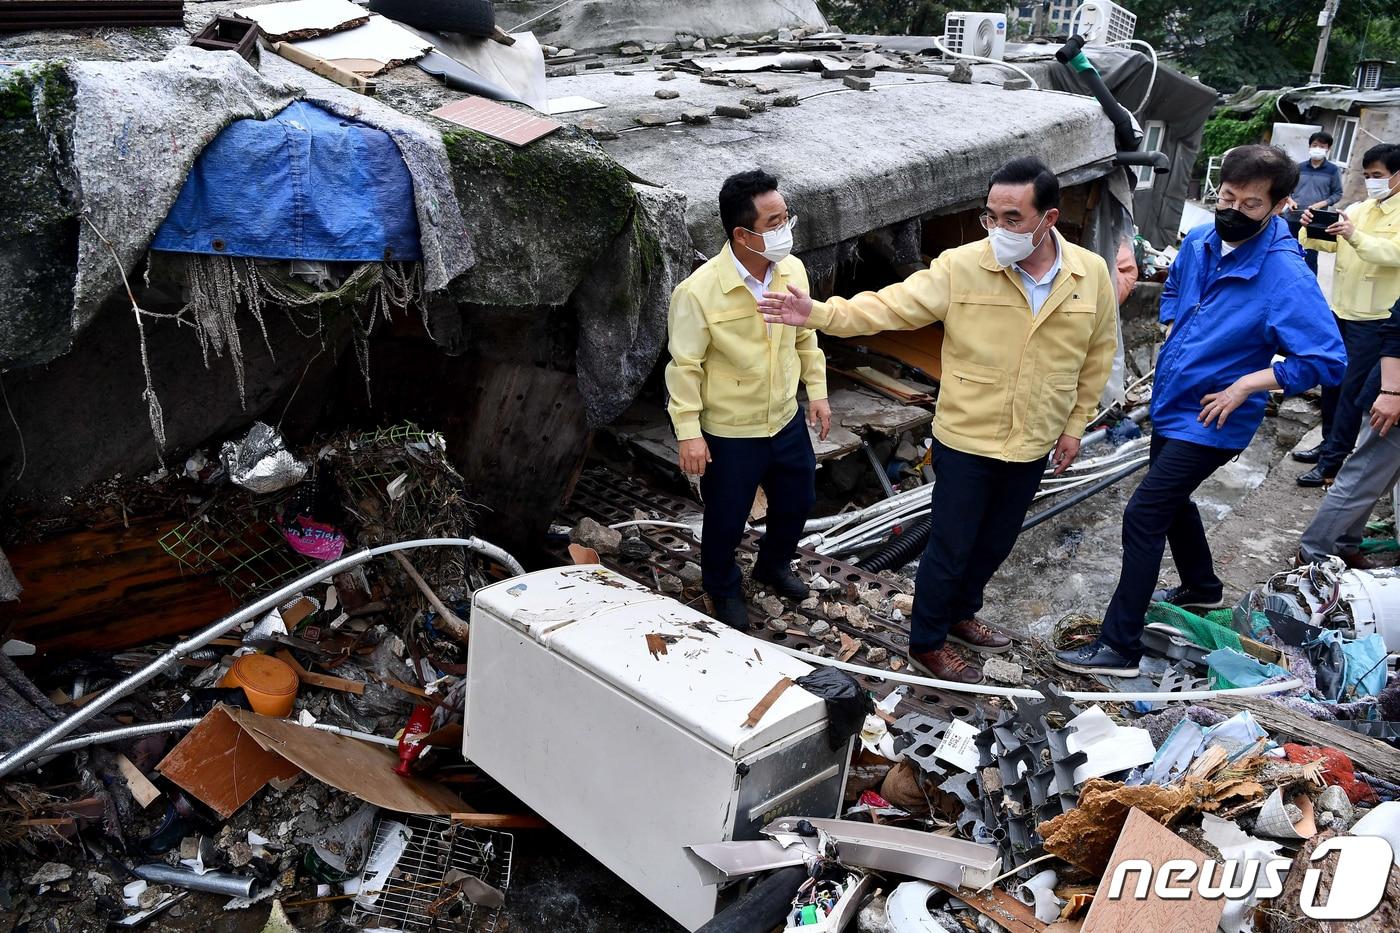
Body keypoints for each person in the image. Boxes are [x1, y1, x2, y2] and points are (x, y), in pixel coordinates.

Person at [759, 157, 1118, 684]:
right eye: (990, 216)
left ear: (1050, 219)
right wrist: (818, 313)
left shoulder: (1091, 276)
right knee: (950, 545)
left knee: (996, 542)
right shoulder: (962, 266)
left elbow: (1097, 356)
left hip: (1034, 437)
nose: (999, 229)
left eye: (1012, 218)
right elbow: (888, 308)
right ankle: (927, 640)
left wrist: (1074, 426)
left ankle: (960, 613)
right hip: (967, 436)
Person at [1056, 145, 1346, 678]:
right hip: (1172, 401)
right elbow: (1172, 292)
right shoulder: (1200, 241)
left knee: (1145, 512)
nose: (1234, 209)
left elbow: (1327, 359)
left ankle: (1119, 647)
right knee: (1172, 499)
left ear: (1280, 205)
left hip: (1215, 418)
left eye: (1252, 204)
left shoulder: (1285, 275)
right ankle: (1203, 588)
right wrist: (1171, 327)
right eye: (1227, 196)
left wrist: (1247, 384)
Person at [664, 169, 832, 630]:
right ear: (742, 233)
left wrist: (816, 393)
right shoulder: (698, 293)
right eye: (774, 223)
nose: (786, 231)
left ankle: (773, 565)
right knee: (726, 517)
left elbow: (805, 337)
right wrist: (689, 434)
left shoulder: (791, 271)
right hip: (732, 431)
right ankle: (722, 587)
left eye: (785, 218)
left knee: (798, 500)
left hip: (784, 417)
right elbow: (684, 368)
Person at [1296, 144, 1400, 485]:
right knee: (1332, 382)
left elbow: (1391, 253)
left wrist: (1353, 235)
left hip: (1376, 317)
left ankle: (1333, 462)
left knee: (1352, 390)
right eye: (1367, 176)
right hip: (1341, 308)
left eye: (1378, 176)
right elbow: (1327, 243)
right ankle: (1327, 444)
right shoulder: (1360, 208)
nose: (1372, 182)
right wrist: (1310, 226)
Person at [1298, 299, 1400, 569]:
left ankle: (1344, 546)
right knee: (1360, 481)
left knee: (1377, 483)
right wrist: (1391, 392)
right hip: (1393, 400)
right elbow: (1395, 331)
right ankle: (1311, 554)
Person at [1290, 131, 1344, 275]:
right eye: (1315, 145)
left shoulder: (1332, 170)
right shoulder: (1298, 167)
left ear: (1328, 149)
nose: (1318, 148)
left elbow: (1338, 193)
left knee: (1310, 257)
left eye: (1322, 146)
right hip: (1293, 216)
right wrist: (1289, 200)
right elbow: (1287, 188)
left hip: (1315, 220)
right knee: (1288, 252)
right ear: (1309, 147)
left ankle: (1309, 287)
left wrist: (1321, 204)